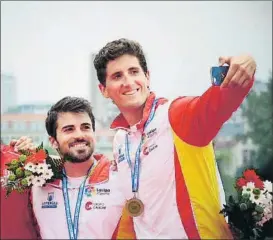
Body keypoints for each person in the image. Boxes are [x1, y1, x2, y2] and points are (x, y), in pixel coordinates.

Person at [93, 38, 257, 239]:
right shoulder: (121, 140)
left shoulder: (174, 114)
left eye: (134, 72)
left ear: (147, 77)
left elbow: (216, 103)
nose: (128, 82)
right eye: (117, 76)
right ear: (103, 90)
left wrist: (243, 67)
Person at [1, 97, 135, 239]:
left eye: (86, 127)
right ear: (53, 142)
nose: (79, 135)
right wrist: (16, 152)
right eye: (69, 129)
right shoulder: (36, 181)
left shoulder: (120, 178)